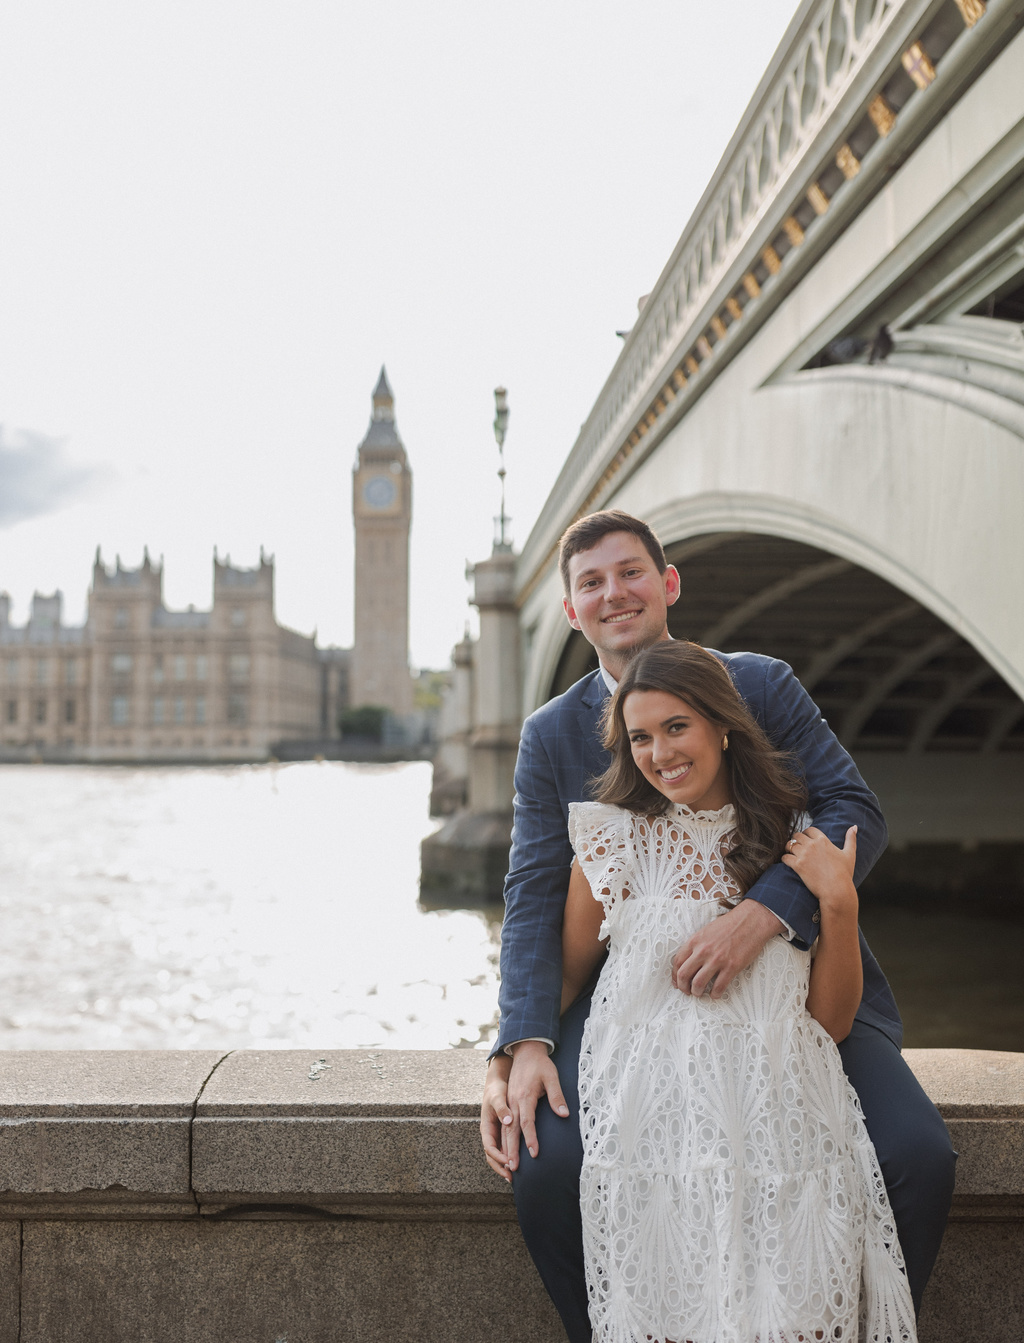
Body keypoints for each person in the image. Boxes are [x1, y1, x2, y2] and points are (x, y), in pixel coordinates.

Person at [479, 509, 955, 1342]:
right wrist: (520, 1040)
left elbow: (853, 811)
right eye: (590, 581)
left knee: (915, 1157)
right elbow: (535, 891)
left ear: (668, 585)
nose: (612, 593)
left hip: (798, 985)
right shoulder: (550, 734)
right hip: (637, 996)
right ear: (569, 611)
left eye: (630, 572)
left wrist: (764, 913)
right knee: (548, 1173)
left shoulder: (760, 684)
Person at [561, 639, 916, 1342]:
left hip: (784, 1134)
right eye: (640, 736)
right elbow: (569, 976)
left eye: (676, 727)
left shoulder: (795, 845)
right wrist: (515, 1054)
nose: (659, 752)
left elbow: (831, 1021)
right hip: (657, 1146)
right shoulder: (611, 843)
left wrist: (838, 902)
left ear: (723, 724)